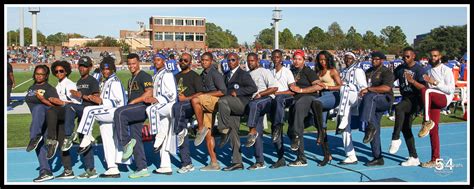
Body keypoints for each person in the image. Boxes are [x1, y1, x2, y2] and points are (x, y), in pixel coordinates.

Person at [75, 57, 130, 178]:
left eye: (108, 69)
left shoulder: (115, 81)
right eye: (103, 69)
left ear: (113, 69)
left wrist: (101, 100)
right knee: (107, 141)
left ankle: (87, 137)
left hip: (114, 112)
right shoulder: (106, 81)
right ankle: (112, 168)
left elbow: (119, 101)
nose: (105, 71)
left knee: (89, 110)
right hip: (107, 112)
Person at [112, 53, 154, 178]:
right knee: (136, 138)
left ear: (139, 63)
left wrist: (133, 102)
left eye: (133, 63)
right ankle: (142, 168)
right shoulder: (130, 80)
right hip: (133, 110)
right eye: (129, 64)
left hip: (141, 107)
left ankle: (125, 144)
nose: (131, 66)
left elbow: (149, 93)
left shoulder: (144, 76)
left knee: (119, 113)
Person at [217, 52, 258, 171]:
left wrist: (238, 92)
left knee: (222, 101)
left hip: (241, 104)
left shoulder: (243, 74)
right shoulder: (226, 75)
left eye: (233, 60)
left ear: (238, 61)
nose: (230, 62)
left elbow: (253, 88)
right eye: (228, 60)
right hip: (230, 107)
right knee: (233, 133)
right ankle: (237, 162)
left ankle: (223, 129)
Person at [62, 56, 101, 179]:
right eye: (80, 66)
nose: (82, 68)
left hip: (89, 111)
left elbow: (97, 99)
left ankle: (68, 135)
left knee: (71, 107)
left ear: (90, 67)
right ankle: (90, 169)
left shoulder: (92, 81)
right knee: (83, 139)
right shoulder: (78, 82)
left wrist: (81, 95)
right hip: (82, 112)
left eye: (85, 66)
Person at [42, 60, 81, 179]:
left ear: (66, 71)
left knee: (51, 111)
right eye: (56, 71)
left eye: (61, 71)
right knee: (63, 143)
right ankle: (68, 170)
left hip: (66, 112)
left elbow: (76, 102)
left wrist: (61, 102)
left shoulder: (69, 84)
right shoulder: (58, 85)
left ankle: (51, 140)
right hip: (59, 115)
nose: (58, 73)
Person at [387, 47, 426, 167]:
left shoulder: (419, 69)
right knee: (406, 128)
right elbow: (390, 80)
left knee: (398, 108)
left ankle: (395, 138)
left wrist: (413, 81)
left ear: (413, 56)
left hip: (416, 99)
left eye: (407, 56)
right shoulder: (400, 68)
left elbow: (424, 88)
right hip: (406, 99)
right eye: (403, 57)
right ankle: (414, 157)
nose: (405, 59)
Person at [417, 48, 455, 168]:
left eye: (435, 56)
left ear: (440, 57)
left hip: (444, 98)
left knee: (426, 90)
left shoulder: (446, 70)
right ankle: (435, 159)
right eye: (431, 56)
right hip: (433, 99)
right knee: (434, 131)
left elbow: (450, 90)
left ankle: (426, 121)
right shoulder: (428, 70)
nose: (433, 58)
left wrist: (435, 82)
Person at [142, 53, 178, 175]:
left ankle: (157, 135)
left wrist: (157, 99)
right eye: (154, 60)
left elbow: (172, 93)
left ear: (163, 61)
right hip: (161, 107)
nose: (156, 62)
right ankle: (165, 166)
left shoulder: (167, 73)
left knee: (151, 110)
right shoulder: (156, 74)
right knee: (165, 137)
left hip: (168, 106)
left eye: (158, 60)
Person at [191, 52, 227, 171]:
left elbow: (223, 91)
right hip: (206, 103)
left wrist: (204, 95)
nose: (204, 62)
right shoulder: (202, 74)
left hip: (216, 102)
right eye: (202, 60)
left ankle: (200, 128)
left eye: (206, 60)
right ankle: (214, 163)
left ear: (211, 61)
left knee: (195, 100)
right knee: (208, 135)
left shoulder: (215, 74)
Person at [358, 51, 394, 166]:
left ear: (382, 60)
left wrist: (369, 90)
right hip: (371, 104)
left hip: (384, 100)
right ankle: (378, 157)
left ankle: (368, 124)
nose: (374, 61)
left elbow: (387, 88)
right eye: (373, 59)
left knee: (370, 96)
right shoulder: (368, 72)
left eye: (377, 59)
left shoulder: (386, 72)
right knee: (374, 129)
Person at [244, 52, 278, 170]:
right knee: (258, 129)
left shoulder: (264, 71)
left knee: (254, 104)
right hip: (254, 104)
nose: (250, 63)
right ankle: (260, 161)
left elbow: (274, 88)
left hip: (266, 100)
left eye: (252, 61)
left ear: (257, 60)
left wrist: (260, 94)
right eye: (248, 61)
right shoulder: (247, 74)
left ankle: (251, 131)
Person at [172, 53, 204, 174]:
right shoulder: (176, 76)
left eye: (185, 60)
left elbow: (200, 93)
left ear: (190, 62)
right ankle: (186, 163)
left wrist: (186, 98)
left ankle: (180, 130)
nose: (183, 62)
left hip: (189, 105)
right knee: (181, 132)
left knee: (179, 111)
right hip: (178, 108)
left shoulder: (195, 76)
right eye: (181, 60)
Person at [287, 49, 320, 167]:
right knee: (292, 129)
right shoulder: (290, 71)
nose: (296, 61)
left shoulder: (308, 71)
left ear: (304, 60)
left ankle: (301, 157)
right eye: (295, 59)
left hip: (308, 97)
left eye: (299, 59)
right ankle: (301, 157)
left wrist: (302, 90)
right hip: (294, 101)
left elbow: (318, 86)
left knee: (297, 126)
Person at [26, 65, 59, 182]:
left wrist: (43, 100)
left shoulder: (50, 89)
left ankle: (36, 137)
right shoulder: (31, 87)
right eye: (37, 74)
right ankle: (45, 171)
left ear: (46, 76)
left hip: (47, 120)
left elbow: (56, 106)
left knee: (40, 107)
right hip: (37, 121)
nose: (39, 76)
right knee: (39, 147)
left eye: (41, 74)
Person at [311, 50, 342, 166]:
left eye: (324, 59)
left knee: (316, 103)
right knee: (322, 125)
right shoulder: (318, 72)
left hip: (332, 95)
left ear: (328, 60)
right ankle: (326, 155)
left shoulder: (333, 71)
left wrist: (327, 86)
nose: (322, 62)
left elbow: (340, 86)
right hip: (321, 98)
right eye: (320, 60)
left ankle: (319, 132)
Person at [335, 52, 367, 165]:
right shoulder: (343, 72)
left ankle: (342, 116)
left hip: (356, 98)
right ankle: (351, 155)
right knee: (345, 129)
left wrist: (348, 86)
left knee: (345, 88)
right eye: (346, 58)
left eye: (350, 58)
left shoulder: (358, 70)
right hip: (345, 102)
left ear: (353, 59)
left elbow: (364, 87)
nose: (347, 60)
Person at [268, 49, 296, 169]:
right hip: (275, 101)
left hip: (286, 98)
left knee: (277, 124)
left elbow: (293, 90)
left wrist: (279, 93)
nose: (276, 59)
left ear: (282, 58)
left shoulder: (287, 72)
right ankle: (281, 158)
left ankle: (279, 125)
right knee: (274, 127)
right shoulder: (270, 72)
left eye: (278, 57)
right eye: (274, 57)